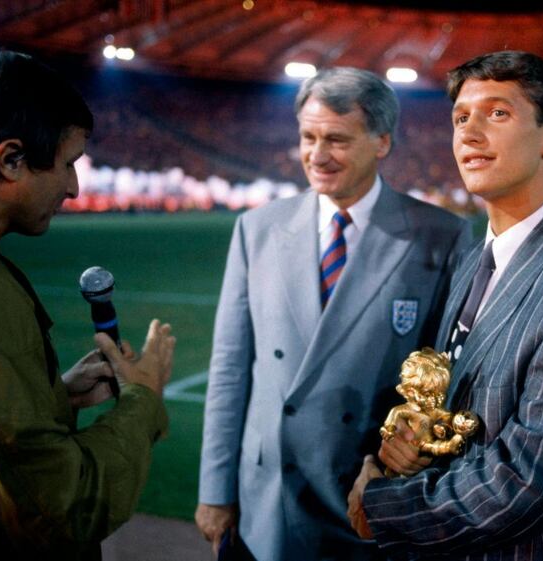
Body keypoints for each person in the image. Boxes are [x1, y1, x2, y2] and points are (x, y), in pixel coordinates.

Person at [347, 51, 543, 560]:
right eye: (461, 117)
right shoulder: (472, 260)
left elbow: (527, 482)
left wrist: (381, 504)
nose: (468, 132)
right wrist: (414, 444)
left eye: (497, 113)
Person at [195, 67, 470, 561]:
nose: (317, 155)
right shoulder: (256, 230)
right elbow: (230, 370)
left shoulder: (440, 236)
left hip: (364, 494)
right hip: (268, 494)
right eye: (308, 136)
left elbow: (443, 378)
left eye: (337, 140)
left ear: (382, 142)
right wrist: (215, 490)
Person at [0, 49, 176, 560]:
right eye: (67, 164)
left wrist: (51, 396)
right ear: (10, 158)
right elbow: (61, 505)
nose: (72, 187)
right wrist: (142, 399)